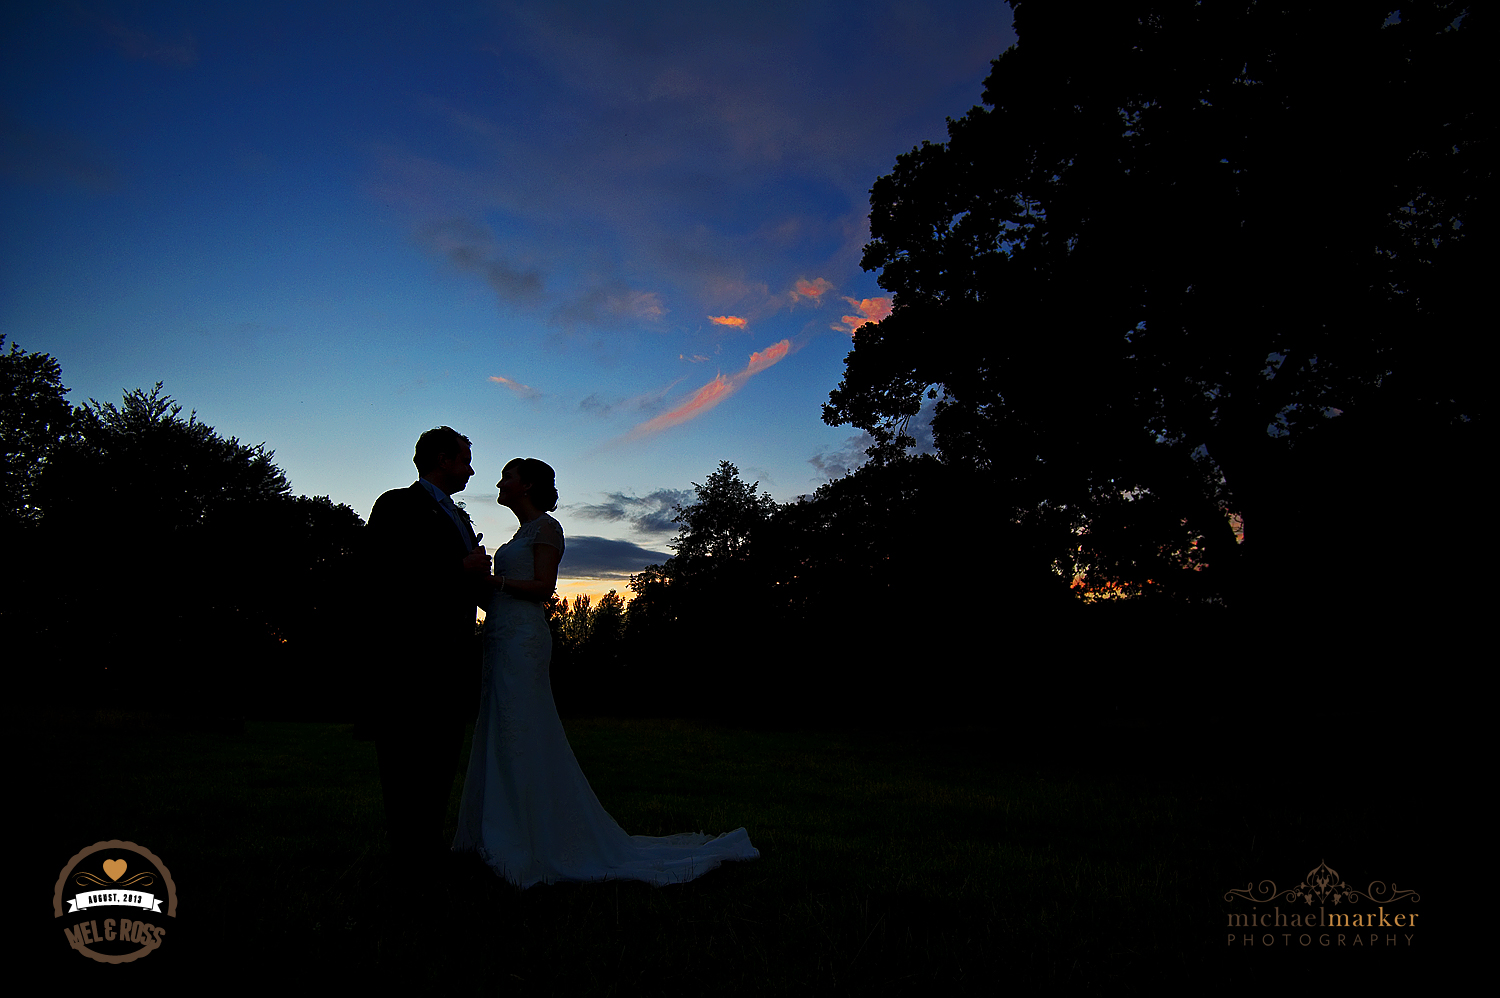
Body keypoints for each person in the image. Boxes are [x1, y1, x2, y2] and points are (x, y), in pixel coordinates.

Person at [454, 457, 759, 887]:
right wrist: (482, 583)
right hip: (501, 638)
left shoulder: (546, 529)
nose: (499, 483)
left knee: (522, 728)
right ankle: (499, 832)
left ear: (528, 486)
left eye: (508, 477)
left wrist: (495, 582)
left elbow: (544, 590)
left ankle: (530, 838)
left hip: (524, 642)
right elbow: (500, 598)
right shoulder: (518, 535)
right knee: (499, 727)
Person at [366, 426, 492, 866]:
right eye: (464, 461)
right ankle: (408, 852)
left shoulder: (458, 517)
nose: (471, 470)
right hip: (410, 656)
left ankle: (429, 846)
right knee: (406, 756)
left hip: (453, 655)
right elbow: (384, 572)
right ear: (442, 460)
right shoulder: (397, 505)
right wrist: (458, 567)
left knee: (440, 754)